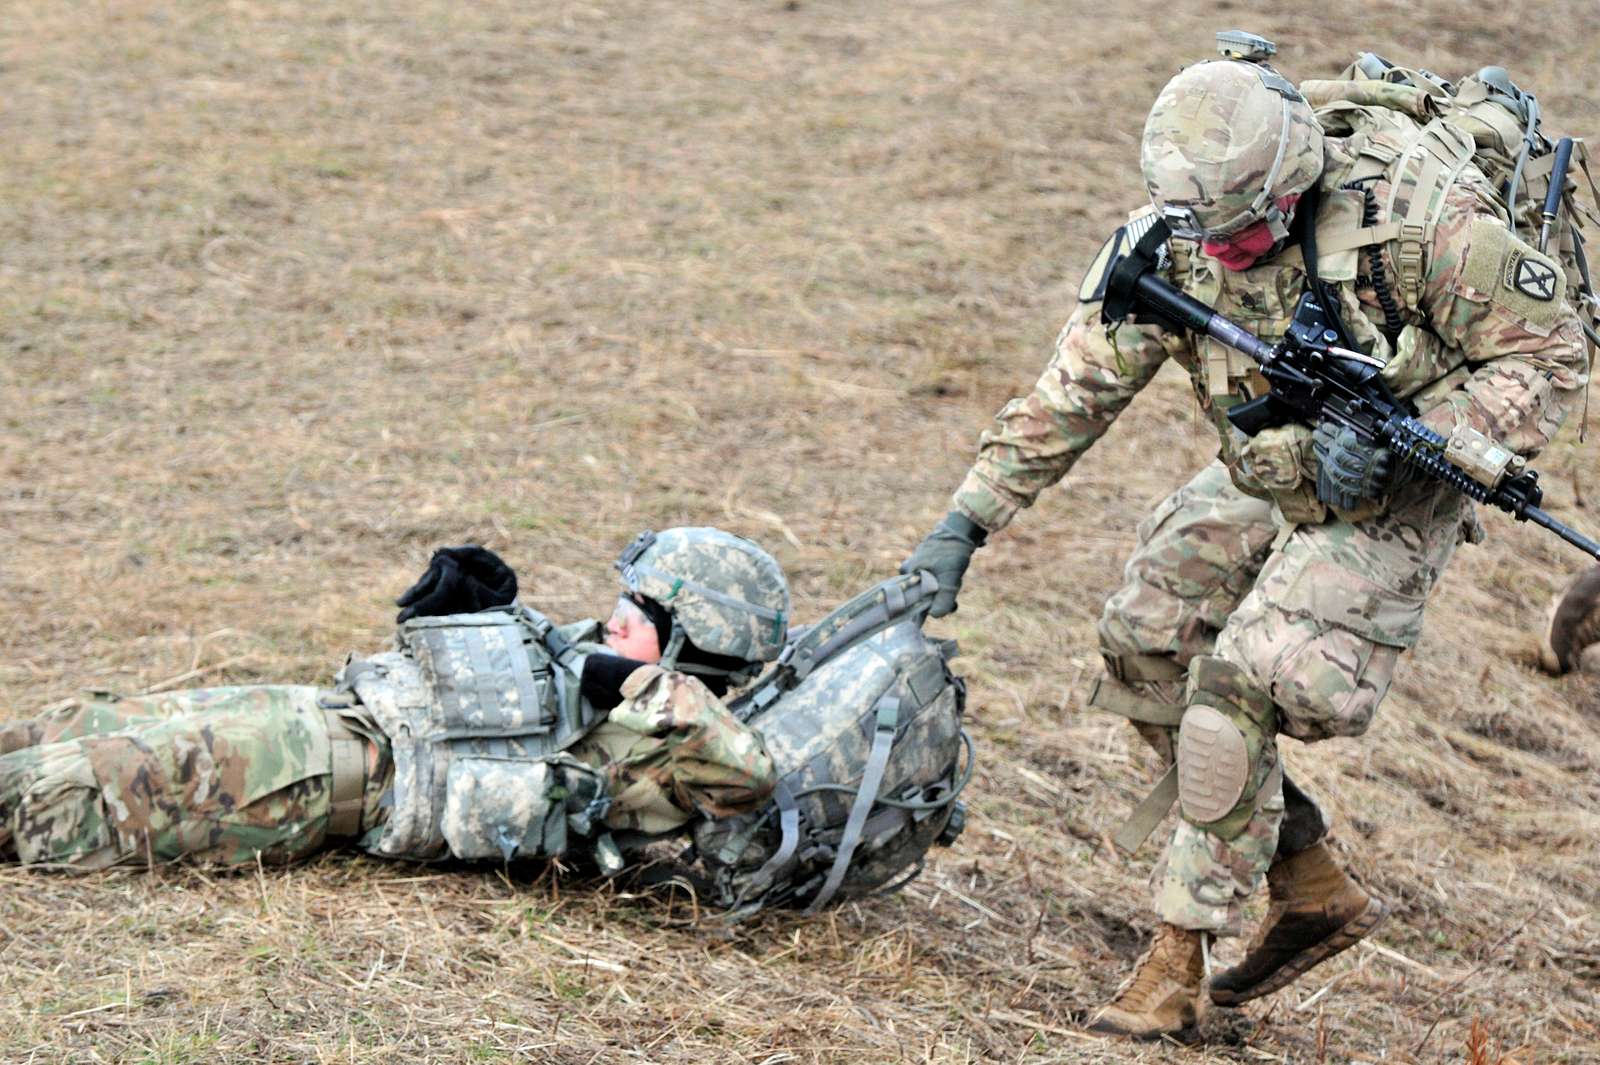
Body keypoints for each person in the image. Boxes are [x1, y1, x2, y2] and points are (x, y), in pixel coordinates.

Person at [902, 41, 1588, 1040]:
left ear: (1294, 179)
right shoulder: (1176, 238)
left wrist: (1431, 448)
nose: (1221, 255)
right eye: (1206, 234)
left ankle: (1176, 963)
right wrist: (960, 528)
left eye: (1244, 231)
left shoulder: (1423, 218)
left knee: (1237, 693)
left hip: (1402, 478)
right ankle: (1306, 878)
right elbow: (1073, 392)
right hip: (1272, 464)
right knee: (1144, 644)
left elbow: (1546, 348)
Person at [0, 527, 789, 875]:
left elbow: (750, 772)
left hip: (320, 778)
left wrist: (632, 681)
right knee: (79, 722)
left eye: (642, 612)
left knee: (65, 789)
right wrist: (460, 614)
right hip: (314, 713)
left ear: (693, 648)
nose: (616, 615)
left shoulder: (674, 751)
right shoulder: (595, 659)